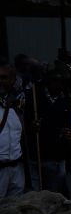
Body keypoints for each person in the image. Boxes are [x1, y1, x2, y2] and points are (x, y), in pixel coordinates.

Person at [0, 59, 25, 197]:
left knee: (16, 210)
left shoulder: (17, 105)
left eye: (4, 78)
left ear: (12, 80)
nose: (0, 81)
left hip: (16, 168)